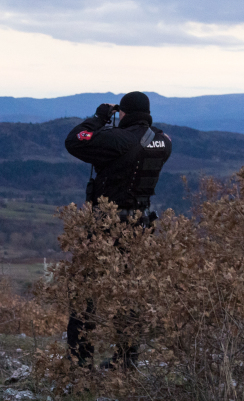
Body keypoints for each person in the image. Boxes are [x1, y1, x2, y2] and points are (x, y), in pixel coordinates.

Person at [63, 91, 173, 369]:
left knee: (86, 291)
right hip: (140, 227)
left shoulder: (119, 140)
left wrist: (99, 117)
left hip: (107, 227)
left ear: (124, 113)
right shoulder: (164, 142)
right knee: (130, 294)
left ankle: (80, 362)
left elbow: (75, 140)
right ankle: (126, 362)